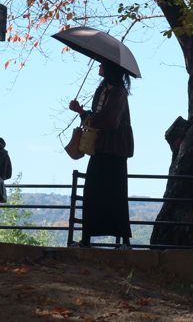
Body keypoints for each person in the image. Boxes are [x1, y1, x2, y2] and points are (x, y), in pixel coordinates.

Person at [69, 62, 134, 248]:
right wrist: (82, 112)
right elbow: (99, 118)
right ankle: (86, 239)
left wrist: (83, 113)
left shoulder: (119, 93)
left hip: (115, 148)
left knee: (117, 193)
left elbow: (110, 121)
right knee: (91, 192)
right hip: (99, 147)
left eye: (103, 64)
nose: (99, 66)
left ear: (110, 69)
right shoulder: (102, 90)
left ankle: (125, 241)